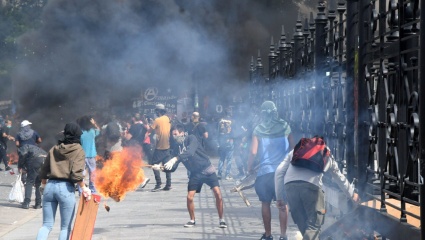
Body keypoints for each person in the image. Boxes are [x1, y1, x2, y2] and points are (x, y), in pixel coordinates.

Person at [275, 136, 360, 240]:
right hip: (312, 187)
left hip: (290, 186)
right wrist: (352, 194)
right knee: (313, 225)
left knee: (304, 226)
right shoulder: (326, 152)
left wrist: (280, 197)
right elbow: (338, 177)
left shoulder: (296, 151)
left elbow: (279, 171)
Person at [155, 124, 227, 228]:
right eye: (173, 135)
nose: (174, 137)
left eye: (176, 134)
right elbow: (173, 167)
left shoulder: (191, 138)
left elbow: (190, 152)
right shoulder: (176, 148)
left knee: (218, 194)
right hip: (195, 174)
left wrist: (175, 159)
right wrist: (162, 168)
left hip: (207, 170)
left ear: (182, 133)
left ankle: (222, 219)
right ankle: (192, 220)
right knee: (189, 197)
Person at [247, 101, 294, 240]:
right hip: (282, 172)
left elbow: (253, 152)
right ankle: (283, 235)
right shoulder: (285, 126)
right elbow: (293, 148)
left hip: (265, 172)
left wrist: (249, 167)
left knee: (265, 203)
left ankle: (268, 235)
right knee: (282, 204)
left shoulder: (258, 129)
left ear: (262, 113)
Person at [37, 122, 92, 240]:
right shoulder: (78, 150)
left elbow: (44, 170)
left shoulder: (54, 148)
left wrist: (43, 184)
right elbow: (77, 174)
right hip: (65, 189)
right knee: (65, 227)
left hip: (50, 187)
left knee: (46, 225)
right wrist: (84, 188)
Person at [146, 104, 172, 192]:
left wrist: (148, 125)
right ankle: (168, 184)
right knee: (167, 166)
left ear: (158, 111)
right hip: (167, 146)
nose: (156, 113)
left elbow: (150, 130)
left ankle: (158, 184)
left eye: (156, 111)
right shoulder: (168, 118)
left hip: (160, 146)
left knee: (154, 165)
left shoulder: (157, 120)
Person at [18, 144, 47, 209]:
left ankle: (26, 203)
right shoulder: (36, 148)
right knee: (38, 183)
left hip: (35, 160)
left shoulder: (23, 147)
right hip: (45, 160)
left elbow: (22, 155)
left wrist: (20, 166)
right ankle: (38, 204)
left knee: (29, 182)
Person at [77, 116, 100, 193]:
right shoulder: (92, 131)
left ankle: (81, 191)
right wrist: (94, 123)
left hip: (81, 156)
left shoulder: (79, 132)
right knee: (93, 173)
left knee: (81, 174)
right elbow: (99, 130)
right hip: (91, 155)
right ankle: (93, 190)